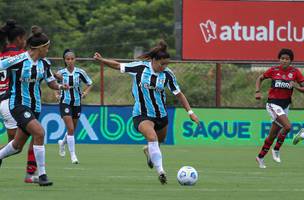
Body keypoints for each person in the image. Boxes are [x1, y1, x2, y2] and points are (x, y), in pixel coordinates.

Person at [93, 40, 200, 184]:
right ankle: (161, 172)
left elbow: (179, 94)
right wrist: (101, 60)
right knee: (152, 137)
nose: (164, 67)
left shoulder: (167, 75)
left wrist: (190, 113)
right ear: (154, 61)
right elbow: (118, 65)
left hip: (161, 115)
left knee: (158, 141)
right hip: (141, 114)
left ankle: (149, 151)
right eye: (162, 64)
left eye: (167, 64)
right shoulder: (139, 68)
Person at [0, 26, 68, 186]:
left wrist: (60, 86)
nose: (48, 50)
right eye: (47, 47)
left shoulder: (44, 64)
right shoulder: (18, 60)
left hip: (35, 108)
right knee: (40, 132)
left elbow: (51, 83)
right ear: (39, 48)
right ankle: (42, 175)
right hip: (17, 105)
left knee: (17, 146)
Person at [0, 19, 39, 183]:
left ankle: (31, 173)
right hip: (8, 100)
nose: (24, 42)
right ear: (18, 39)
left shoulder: (1, 52)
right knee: (18, 144)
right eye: (24, 39)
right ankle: (31, 174)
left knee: (19, 142)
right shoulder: (18, 56)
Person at [255, 48, 304, 169]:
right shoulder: (273, 70)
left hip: (285, 105)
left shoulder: (295, 72)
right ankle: (276, 149)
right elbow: (259, 78)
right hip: (273, 104)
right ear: (279, 59)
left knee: (272, 135)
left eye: (287, 59)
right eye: (282, 58)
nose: (284, 61)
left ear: (291, 61)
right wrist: (257, 91)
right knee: (288, 126)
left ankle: (260, 157)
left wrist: (296, 87)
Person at [56, 49, 93, 164]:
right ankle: (73, 155)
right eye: (68, 59)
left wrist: (86, 92)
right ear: (65, 60)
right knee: (70, 128)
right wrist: (57, 94)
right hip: (65, 102)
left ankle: (62, 143)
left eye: (72, 59)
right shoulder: (61, 73)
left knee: (72, 129)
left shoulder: (80, 72)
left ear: (75, 60)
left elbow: (89, 83)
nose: (70, 61)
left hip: (77, 103)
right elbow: (54, 85)